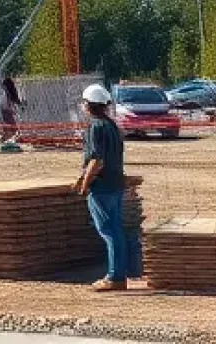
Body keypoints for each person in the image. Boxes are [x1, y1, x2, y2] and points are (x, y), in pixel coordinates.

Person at [76, 83, 140, 291]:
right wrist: (82, 176)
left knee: (108, 231)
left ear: (89, 105)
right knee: (116, 230)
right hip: (115, 184)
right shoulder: (112, 126)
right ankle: (121, 274)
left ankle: (115, 277)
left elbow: (97, 160)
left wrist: (85, 184)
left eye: (84, 102)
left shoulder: (95, 127)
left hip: (102, 187)